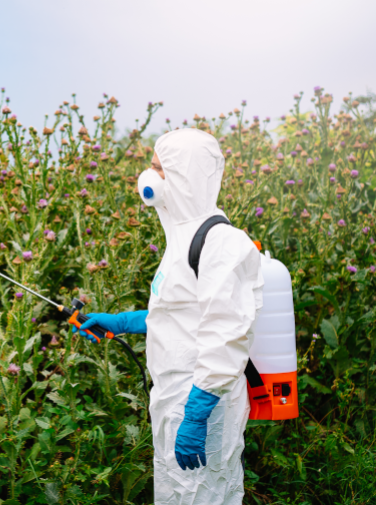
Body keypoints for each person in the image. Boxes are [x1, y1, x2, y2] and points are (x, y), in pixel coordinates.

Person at [73, 128, 264, 504]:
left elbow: (227, 333)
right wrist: (124, 322)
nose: (149, 177)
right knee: (178, 494)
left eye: (159, 169)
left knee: (205, 495)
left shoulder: (221, 243)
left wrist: (197, 411)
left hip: (203, 400)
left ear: (184, 176)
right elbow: (184, 314)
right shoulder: (182, 237)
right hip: (174, 396)